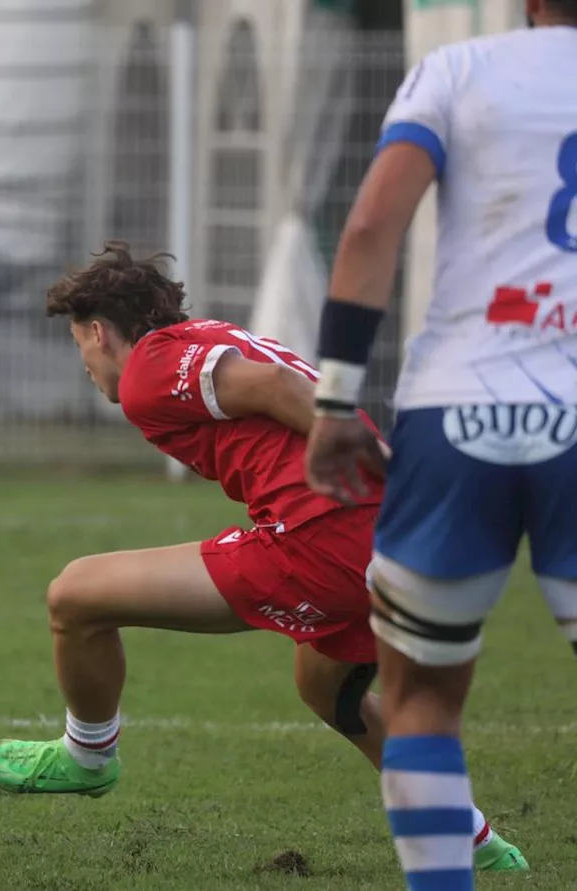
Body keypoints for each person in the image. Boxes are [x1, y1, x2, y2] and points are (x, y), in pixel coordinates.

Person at [0, 242, 525, 873]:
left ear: (99, 332)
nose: (85, 364)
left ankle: (87, 756)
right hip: (377, 542)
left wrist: (387, 470)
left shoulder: (150, 369)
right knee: (324, 688)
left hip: (322, 539)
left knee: (74, 595)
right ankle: (477, 843)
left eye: (78, 346)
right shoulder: (201, 337)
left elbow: (273, 384)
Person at [304, 2, 577, 887]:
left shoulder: (459, 71)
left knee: (420, 698)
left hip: (459, 411)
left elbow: (372, 227)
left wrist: (337, 397)